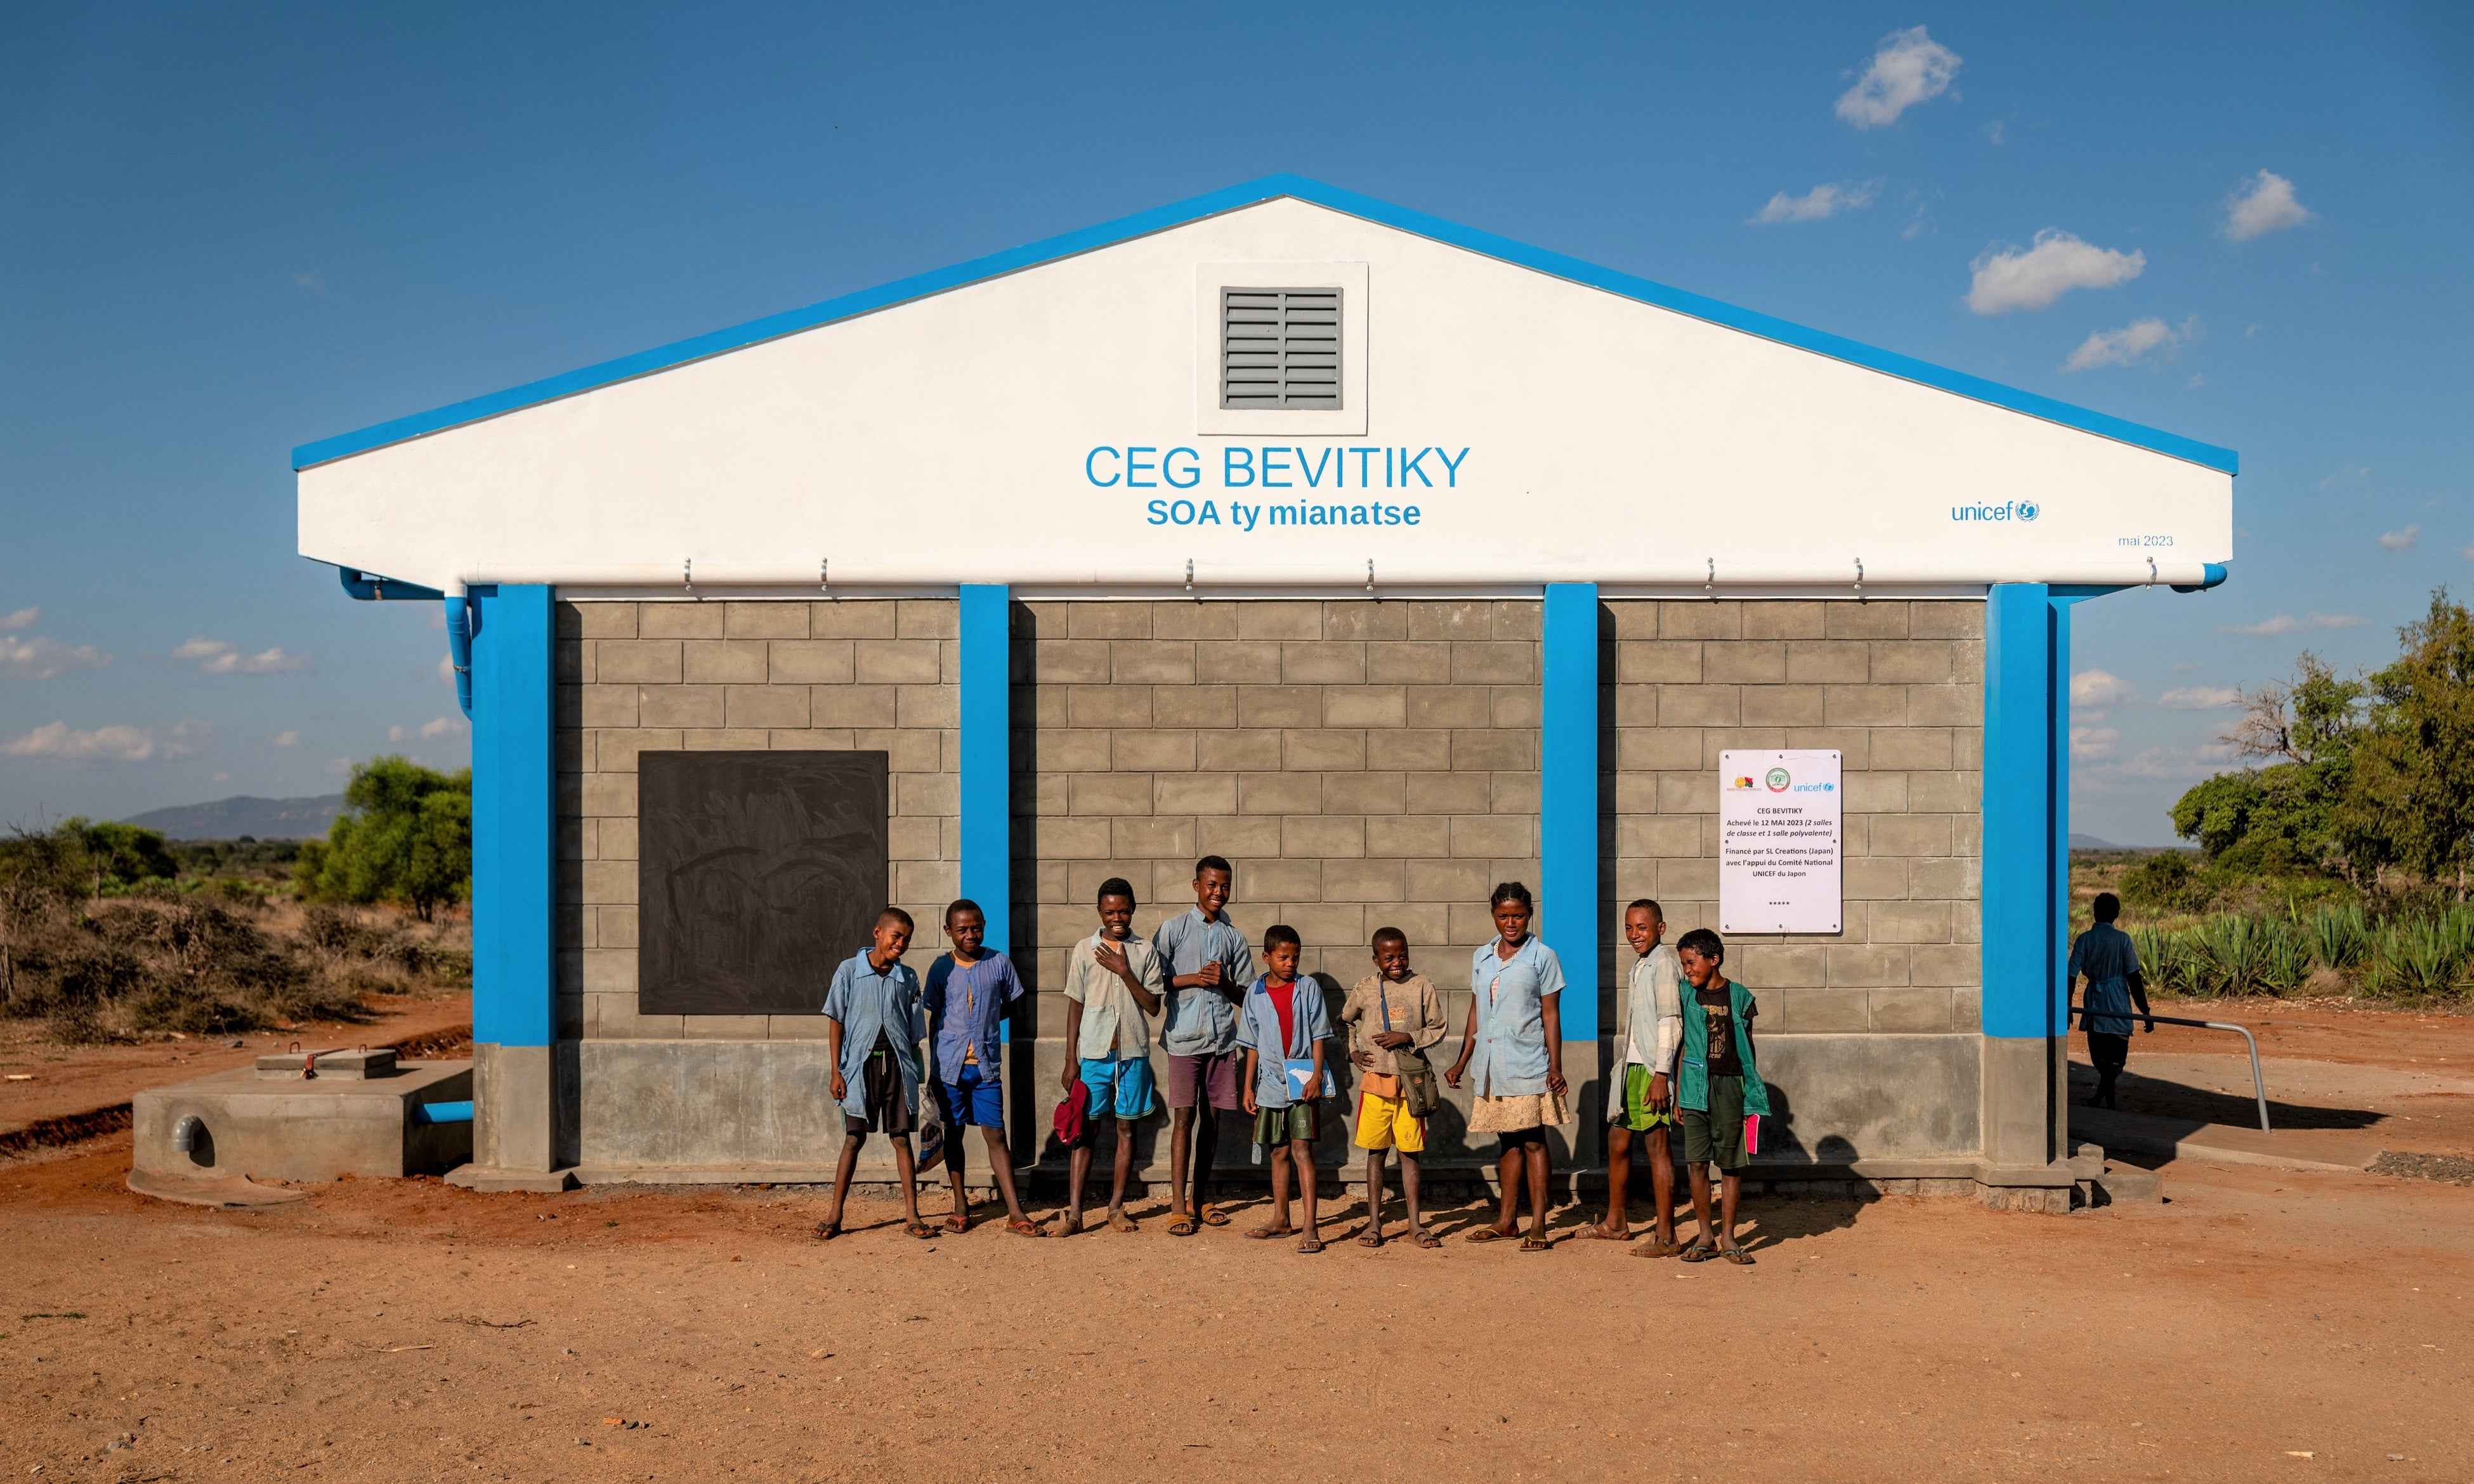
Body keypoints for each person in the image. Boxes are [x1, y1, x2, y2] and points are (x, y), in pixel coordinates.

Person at [1444, 882, 1569, 1253]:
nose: (1511, 923)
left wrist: (1556, 1066)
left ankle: (1540, 1224)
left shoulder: (1542, 956)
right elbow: (1475, 1011)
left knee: (1532, 1140)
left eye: (1518, 915)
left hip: (1528, 1061)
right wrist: (1461, 1060)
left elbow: (1551, 1015)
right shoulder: (1481, 957)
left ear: (1529, 914)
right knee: (1507, 1140)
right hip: (1490, 1063)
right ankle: (1507, 1220)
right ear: (1493, 915)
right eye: (1503, 916)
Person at [920, 897, 1041, 1237]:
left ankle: (1015, 1211)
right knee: (954, 1133)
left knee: (996, 1134)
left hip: (986, 1066)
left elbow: (1015, 1003)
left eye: (976, 928)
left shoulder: (999, 963)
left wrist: (986, 1021)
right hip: (949, 1068)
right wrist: (932, 1068)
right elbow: (934, 1018)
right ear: (949, 932)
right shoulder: (940, 969)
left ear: (984, 926)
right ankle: (961, 1206)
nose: (970, 935)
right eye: (962, 930)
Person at [1056, 876, 1165, 1235]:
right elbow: (1076, 1004)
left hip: (1133, 1054)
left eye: (1122, 911)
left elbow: (1152, 1006)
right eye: (1109, 912)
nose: (1116, 918)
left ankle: (1116, 1208)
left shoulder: (1144, 951)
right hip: (1093, 1054)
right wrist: (1071, 1058)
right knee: (1085, 1132)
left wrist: (1124, 971)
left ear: (1132, 909)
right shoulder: (1084, 949)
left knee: (1126, 1130)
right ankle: (1075, 1212)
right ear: (1099, 912)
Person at [1152, 855, 1255, 1237]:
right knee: (1185, 1119)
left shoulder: (1234, 937)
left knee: (1212, 1121)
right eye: (1211, 885)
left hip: (1222, 1041)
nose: (1219, 893)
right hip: (1183, 1040)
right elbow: (1155, 981)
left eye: (1225, 886)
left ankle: (1201, 1198)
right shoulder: (1174, 930)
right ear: (1196, 885)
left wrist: (1224, 983)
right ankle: (1178, 1207)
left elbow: (1246, 994)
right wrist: (1194, 978)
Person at [818, 908, 931, 1242]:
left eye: (907, 939)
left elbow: (913, 1035)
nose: (901, 943)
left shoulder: (907, 978)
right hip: (859, 1069)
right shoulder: (849, 971)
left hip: (897, 1068)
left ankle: (912, 1215)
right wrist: (836, 1071)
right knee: (854, 1139)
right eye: (896, 936)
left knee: (901, 1139)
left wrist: (917, 1075)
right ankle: (835, 1215)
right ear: (877, 933)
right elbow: (836, 1020)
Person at [1583, 899, 1685, 1257]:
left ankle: (1667, 1237)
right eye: (1629, 928)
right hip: (1632, 1068)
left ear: (1661, 928)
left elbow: (1670, 1021)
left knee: (1657, 1148)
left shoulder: (1665, 966)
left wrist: (1661, 1074)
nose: (1634, 935)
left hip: (1652, 1071)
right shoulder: (1642, 964)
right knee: (1618, 1140)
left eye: (1642, 927)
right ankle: (1616, 1222)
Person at [1339, 926, 1447, 1249]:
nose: (1397, 962)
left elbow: (1438, 1027)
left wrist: (1409, 1038)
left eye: (1402, 955)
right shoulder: (1366, 989)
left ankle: (1415, 1224)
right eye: (1389, 957)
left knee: (1410, 1153)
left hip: (1411, 1084)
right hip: (1375, 1083)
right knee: (1376, 1152)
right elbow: (1344, 1020)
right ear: (1376, 959)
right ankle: (1374, 1223)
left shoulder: (1421, 986)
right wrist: (1353, 1052)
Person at [1673, 927, 1769, 1266]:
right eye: (1684, 964)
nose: (1687, 970)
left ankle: (1729, 1238)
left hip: (1730, 1087)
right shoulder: (1686, 994)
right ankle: (1705, 1236)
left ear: (1714, 960)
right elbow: (1682, 1044)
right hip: (1694, 1087)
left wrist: (1750, 1096)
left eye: (1692, 963)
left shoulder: (1740, 996)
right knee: (1696, 1162)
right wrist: (1677, 1093)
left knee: (1730, 1163)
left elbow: (1749, 1050)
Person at [1237, 923, 1333, 1254]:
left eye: (1295, 957)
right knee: (1277, 1151)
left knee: (1302, 1151)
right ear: (1266, 957)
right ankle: (1281, 1219)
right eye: (1283, 957)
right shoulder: (1255, 993)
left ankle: (1310, 1225)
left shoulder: (1308, 989)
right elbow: (1251, 1043)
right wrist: (1248, 1086)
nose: (1291, 963)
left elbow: (1320, 1034)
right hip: (1269, 1083)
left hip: (1303, 1080)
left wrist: (1317, 1075)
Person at [2069, 892, 2154, 1110]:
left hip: (2094, 1002)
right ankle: (2108, 1104)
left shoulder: (2084, 940)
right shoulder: (2123, 940)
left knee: (2102, 1058)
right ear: (2116, 914)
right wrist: (2145, 1011)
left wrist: (2068, 1007)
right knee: (2115, 1060)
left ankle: (2103, 1101)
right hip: (2117, 1001)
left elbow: (2071, 976)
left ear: (2095, 912)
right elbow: (2134, 977)